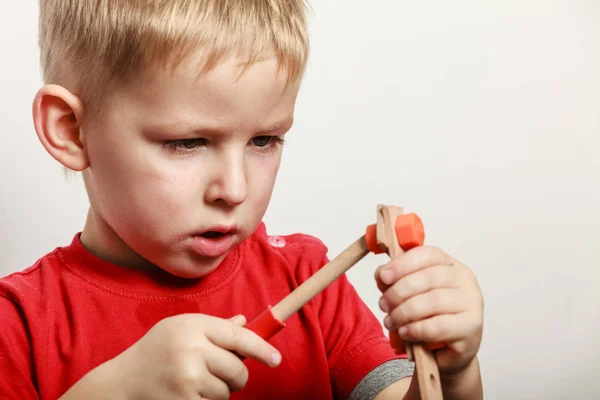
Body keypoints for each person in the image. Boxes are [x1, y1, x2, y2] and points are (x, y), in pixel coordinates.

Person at [0, 1, 484, 399]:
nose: (235, 190)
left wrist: (453, 371)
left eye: (265, 140)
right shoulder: (17, 325)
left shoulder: (310, 280)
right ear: (71, 130)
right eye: (187, 143)